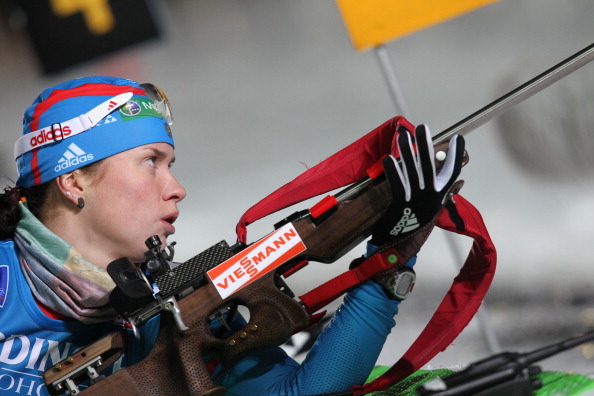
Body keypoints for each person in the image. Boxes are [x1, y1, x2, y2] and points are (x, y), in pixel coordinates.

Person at [0, 76, 464, 396]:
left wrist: (391, 256)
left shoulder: (176, 308)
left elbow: (302, 393)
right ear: (73, 179)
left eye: (171, 165)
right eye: (150, 162)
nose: (176, 188)